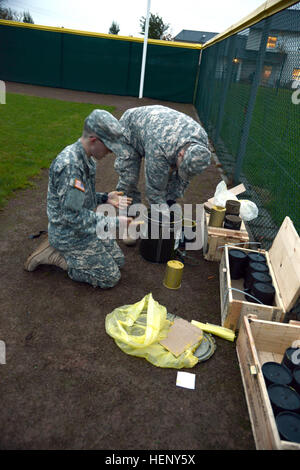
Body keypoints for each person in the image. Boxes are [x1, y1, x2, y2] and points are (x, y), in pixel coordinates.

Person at [24, 109, 133, 289]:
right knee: (110, 277)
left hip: (83, 227)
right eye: (108, 147)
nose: (110, 152)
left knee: (119, 261)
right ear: (94, 140)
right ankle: (56, 255)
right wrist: (113, 222)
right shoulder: (70, 167)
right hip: (68, 233)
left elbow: (79, 199)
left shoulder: (87, 158)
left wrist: (105, 197)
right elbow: (72, 216)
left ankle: (65, 251)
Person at [114, 105, 211, 208]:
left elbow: (182, 178)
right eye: (182, 166)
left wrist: (170, 202)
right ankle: (128, 213)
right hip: (130, 128)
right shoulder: (160, 148)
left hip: (157, 128)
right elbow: (154, 190)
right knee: (129, 178)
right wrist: (163, 214)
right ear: (180, 154)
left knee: (175, 177)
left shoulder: (201, 144)